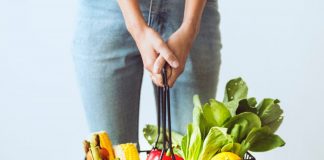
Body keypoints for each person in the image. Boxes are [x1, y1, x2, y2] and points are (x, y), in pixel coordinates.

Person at [72, 0, 222, 146]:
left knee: (191, 150)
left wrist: (190, 27)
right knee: (113, 152)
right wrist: (136, 27)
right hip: (106, 10)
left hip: (192, 10)